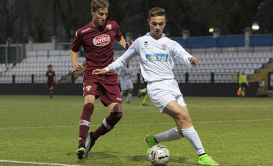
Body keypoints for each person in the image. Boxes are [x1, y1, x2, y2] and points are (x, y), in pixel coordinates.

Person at [93, 7, 219, 165]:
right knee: (184, 116)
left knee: (183, 129)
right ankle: (203, 156)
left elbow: (185, 57)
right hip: (156, 87)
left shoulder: (170, 44)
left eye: (160, 24)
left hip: (172, 86)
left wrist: (192, 61)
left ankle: (154, 140)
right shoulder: (140, 42)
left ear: (165, 23)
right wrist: (106, 69)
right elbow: (122, 60)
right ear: (148, 23)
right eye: (154, 24)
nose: (157, 27)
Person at [70, 0, 132, 160]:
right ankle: (81, 145)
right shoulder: (83, 32)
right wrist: (75, 63)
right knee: (89, 104)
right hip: (91, 74)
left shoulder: (113, 26)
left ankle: (94, 136)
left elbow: (119, 38)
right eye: (100, 14)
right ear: (93, 12)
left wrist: (127, 47)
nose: (103, 17)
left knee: (117, 114)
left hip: (109, 74)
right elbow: (73, 50)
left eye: (105, 14)